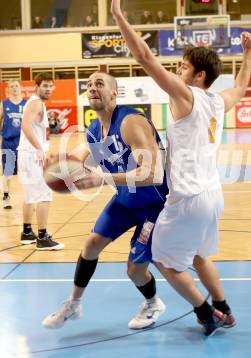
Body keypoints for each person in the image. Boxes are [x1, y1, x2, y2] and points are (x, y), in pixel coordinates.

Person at [111, 0, 251, 336]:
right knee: (197, 255)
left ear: (198, 75)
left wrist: (118, 16)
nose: (177, 71)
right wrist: (248, 53)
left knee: (163, 260)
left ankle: (207, 314)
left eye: (182, 66)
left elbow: (145, 58)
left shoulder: (188, 96)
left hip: (188, 197)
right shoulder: (218, 101)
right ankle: (225, 308)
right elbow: (240, 86)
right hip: (212, 195)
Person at [42, 71, 168, 329]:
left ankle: (154, 303)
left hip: (154, 205)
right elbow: (78, 159)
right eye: (88, 85)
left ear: (114, 92)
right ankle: (74, 305)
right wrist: (57, 167)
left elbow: (153, 174)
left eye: (99, 83)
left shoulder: (130, 121)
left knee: (134, 270)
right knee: (90, 245)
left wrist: (103, 179)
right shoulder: (94, 130)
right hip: (125, 200)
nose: (92, 88)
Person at [17, 73, 64, 250]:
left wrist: (42, 148)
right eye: (45, 85)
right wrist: (39, 148)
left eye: (50, 86)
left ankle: (27, 232)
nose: (48, 89)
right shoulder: (36, 102)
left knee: (30, 195)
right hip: (31, 154)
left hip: (26, 153)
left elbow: (35, 130)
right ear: (37, 86)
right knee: (44, 194)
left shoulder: (35, 102)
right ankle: (43, 238)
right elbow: (25, 125)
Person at [0, 80, 26, 209]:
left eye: (16, 86)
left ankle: (30, 197)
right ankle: (6, 197)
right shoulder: (3, 104)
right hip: (8, 143)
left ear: (21, 88)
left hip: (24, 145)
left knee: (27, 172)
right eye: (11, 86)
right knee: (8, 173)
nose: (14, 88)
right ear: (8, 90)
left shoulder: (26, 104)